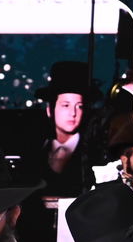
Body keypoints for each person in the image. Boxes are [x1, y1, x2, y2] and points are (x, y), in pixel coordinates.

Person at [36, 61, 95, 196]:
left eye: (79, 106)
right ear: (50, 110)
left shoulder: (94, 152)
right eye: (66, 105)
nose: (73, 113)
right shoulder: (36, 150)